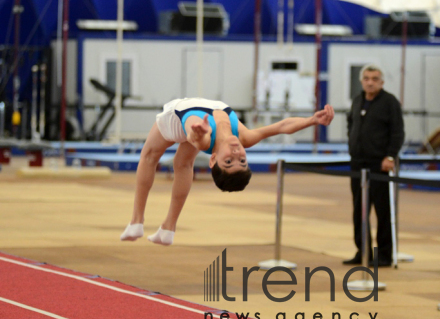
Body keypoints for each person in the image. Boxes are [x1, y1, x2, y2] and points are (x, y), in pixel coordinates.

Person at [120, 97, 334, 246]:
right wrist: (312, 121)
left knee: (149, 157)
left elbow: (199, 139)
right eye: (242, 159)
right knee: (182, 164)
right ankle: (168, 229)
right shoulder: (245, 138)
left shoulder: (204, 138)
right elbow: (282, 127)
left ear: (213, 158)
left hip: (177, 120)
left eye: (229, 160)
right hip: (198, 124)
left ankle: (136, 221)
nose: (236, 151)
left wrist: (200, 133)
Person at [343, 65, 404, 267]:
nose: (370, 82)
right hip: (357, 163)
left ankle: (385, 254)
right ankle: (363, 251)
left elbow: (397, 131)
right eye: (367, 78)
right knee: (359, 210)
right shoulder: (357, 100)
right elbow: (350, 124)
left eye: (375, 78)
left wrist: (390, 155)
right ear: (362, 81)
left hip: (380, 165)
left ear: (382, 82)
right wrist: (351, 142)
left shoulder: (389, 102)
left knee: (382, 210)